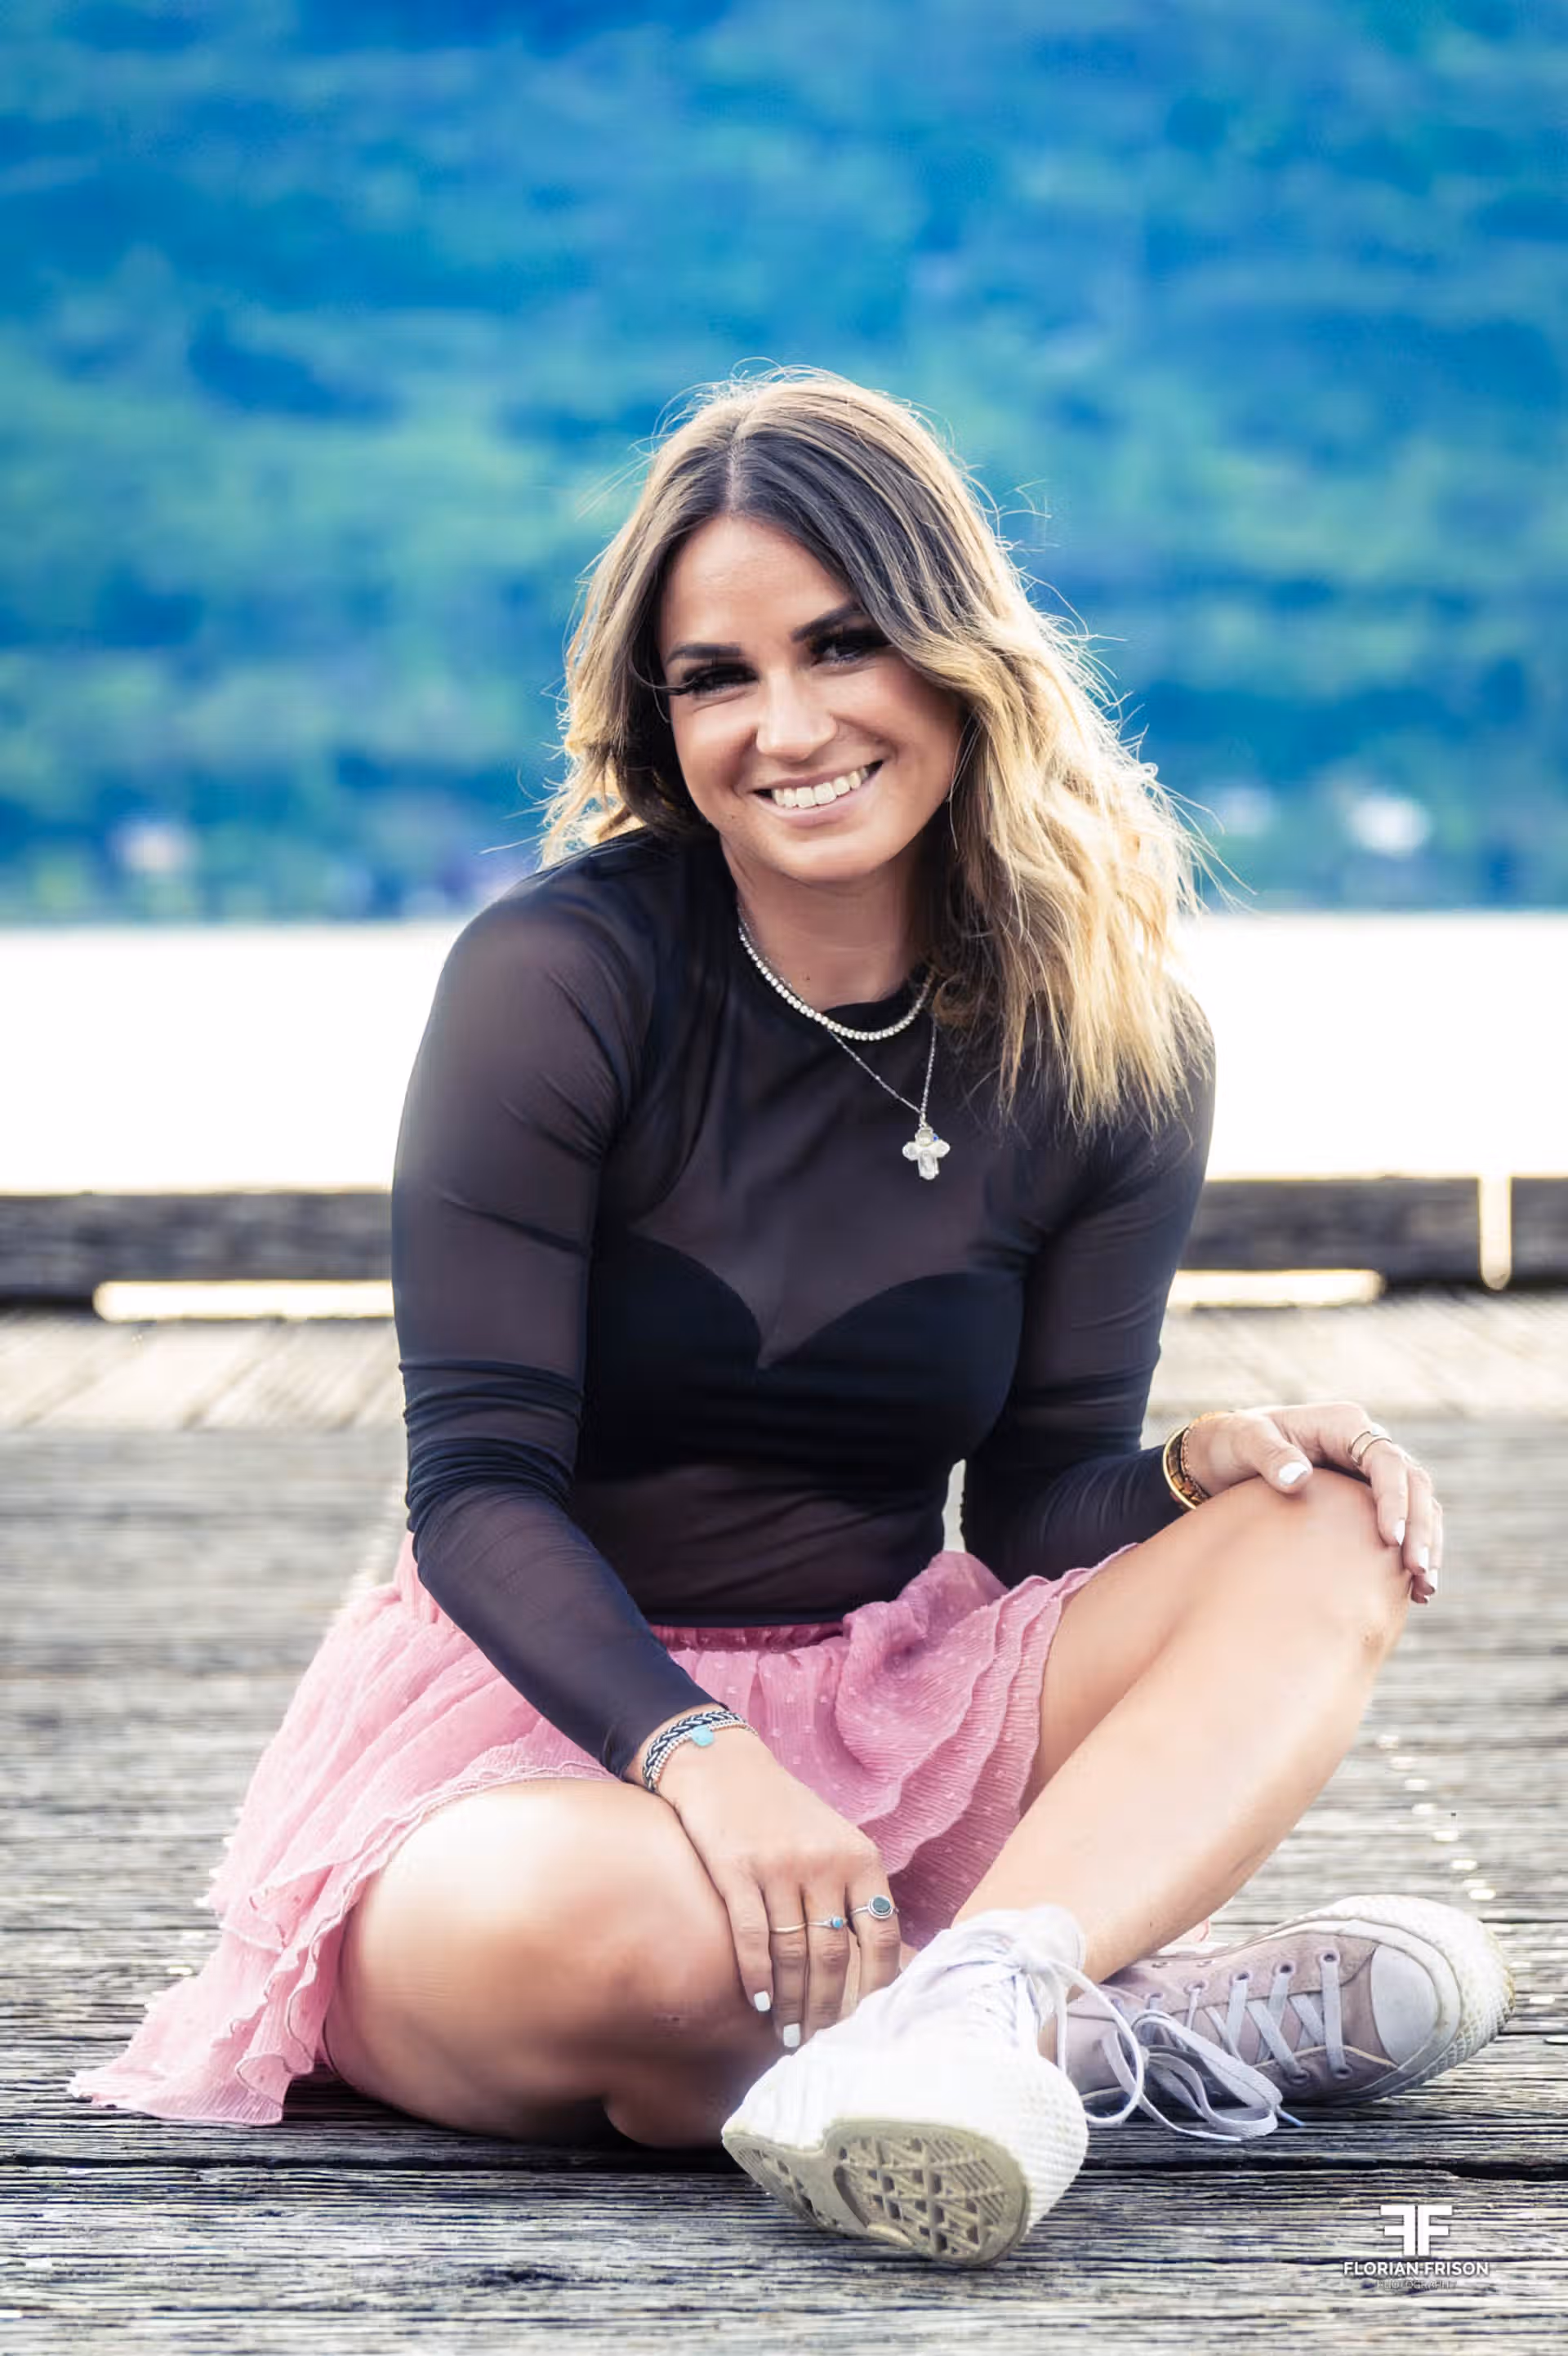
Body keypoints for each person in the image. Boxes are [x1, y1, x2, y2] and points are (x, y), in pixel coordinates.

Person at [69, 367, 1512, 2269]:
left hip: (884, 1702)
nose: (791, 723)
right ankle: (1129, 2025)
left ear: (954, 654)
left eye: (845, 644)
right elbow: (478, 1487)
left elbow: (1029, 1510)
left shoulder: (1111, 1034)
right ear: (659, 720)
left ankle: (984, 1992)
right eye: (719, 674)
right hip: (533, 1741)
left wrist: (1183, 1472)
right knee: (678, 1949)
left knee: (1329, 1523)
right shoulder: (557, 978)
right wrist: (703, 1760)